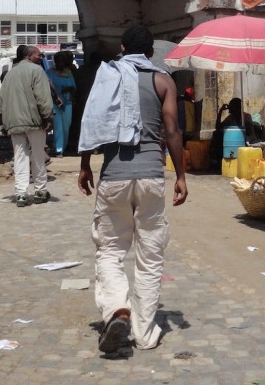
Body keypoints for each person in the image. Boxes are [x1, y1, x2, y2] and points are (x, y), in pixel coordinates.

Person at [77, 25, 187, 354]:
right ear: (151, 51)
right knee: (150, 256)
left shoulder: (108, 75)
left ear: (123, 48)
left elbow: (92, 119)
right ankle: (144, 332)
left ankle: (117, 311)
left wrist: (84, 165)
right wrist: (180, 174)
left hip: (114, 176)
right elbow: (172, 130)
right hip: (152, 175)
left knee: (110, 251)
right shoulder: (163, 80)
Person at [0, 45, 53, 207]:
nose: (41, 58)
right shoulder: (37, 71)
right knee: (38, 155)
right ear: (28, 56)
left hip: (13, 122)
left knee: (20, 156)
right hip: (34, 121)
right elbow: (43, 98)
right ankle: (40, 190)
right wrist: (48, 116)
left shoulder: (10, 74)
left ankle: (20, 193)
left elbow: (1, 101)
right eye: (38, 55)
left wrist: (1, 121)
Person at [47, 50, 78, 157]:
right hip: (55, 103)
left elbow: (73, 87)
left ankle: (63, 147)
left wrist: (68, 89)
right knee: (58, 126)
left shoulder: (68, 73)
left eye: (62, 61)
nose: (60, 64)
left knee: (66, 126)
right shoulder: (49, 72)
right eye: (58, 61)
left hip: (68, 102)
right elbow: (48, 87)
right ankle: (58, 149)